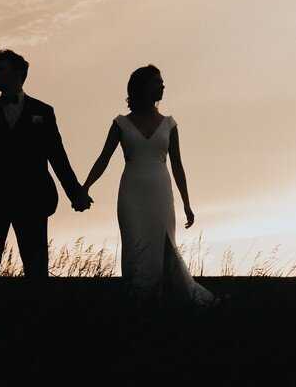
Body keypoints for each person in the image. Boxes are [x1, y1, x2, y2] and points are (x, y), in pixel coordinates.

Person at [80, 64, 217, 304]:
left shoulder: (170, 124)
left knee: (164, 245)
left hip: (161, 193)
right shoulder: (121, 123)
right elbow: (103, 158)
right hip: (132, 193)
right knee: (135, 244)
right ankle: (137, 299)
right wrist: (85, 186)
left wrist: (187, 203)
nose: (162, 85)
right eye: (157, 81)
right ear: (142, 86)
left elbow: (177, 165)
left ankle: (165, 299)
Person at [0, 49, 92, 280]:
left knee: (36, 268)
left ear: (18, 74)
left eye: (0, 69)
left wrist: (75, 193)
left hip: (32, 200)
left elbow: (57, 156)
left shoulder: (43, 111)